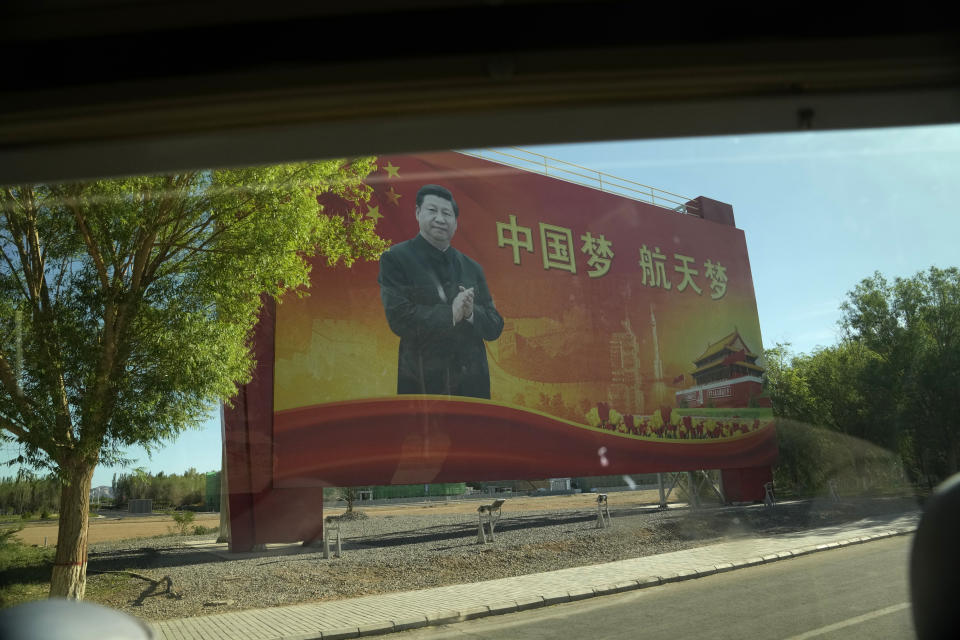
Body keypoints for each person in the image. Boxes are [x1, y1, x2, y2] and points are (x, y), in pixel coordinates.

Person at [378, 184, 504, 398]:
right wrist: (451, 314)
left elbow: (495, 325)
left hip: (473, 389)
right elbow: (398, 318)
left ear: (455, 223)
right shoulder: (396, 258)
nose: (440, 218)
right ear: (418, 213)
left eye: (447, 213)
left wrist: (471, 312)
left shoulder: (472, 267)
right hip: (422, 388)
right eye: (432, 210)